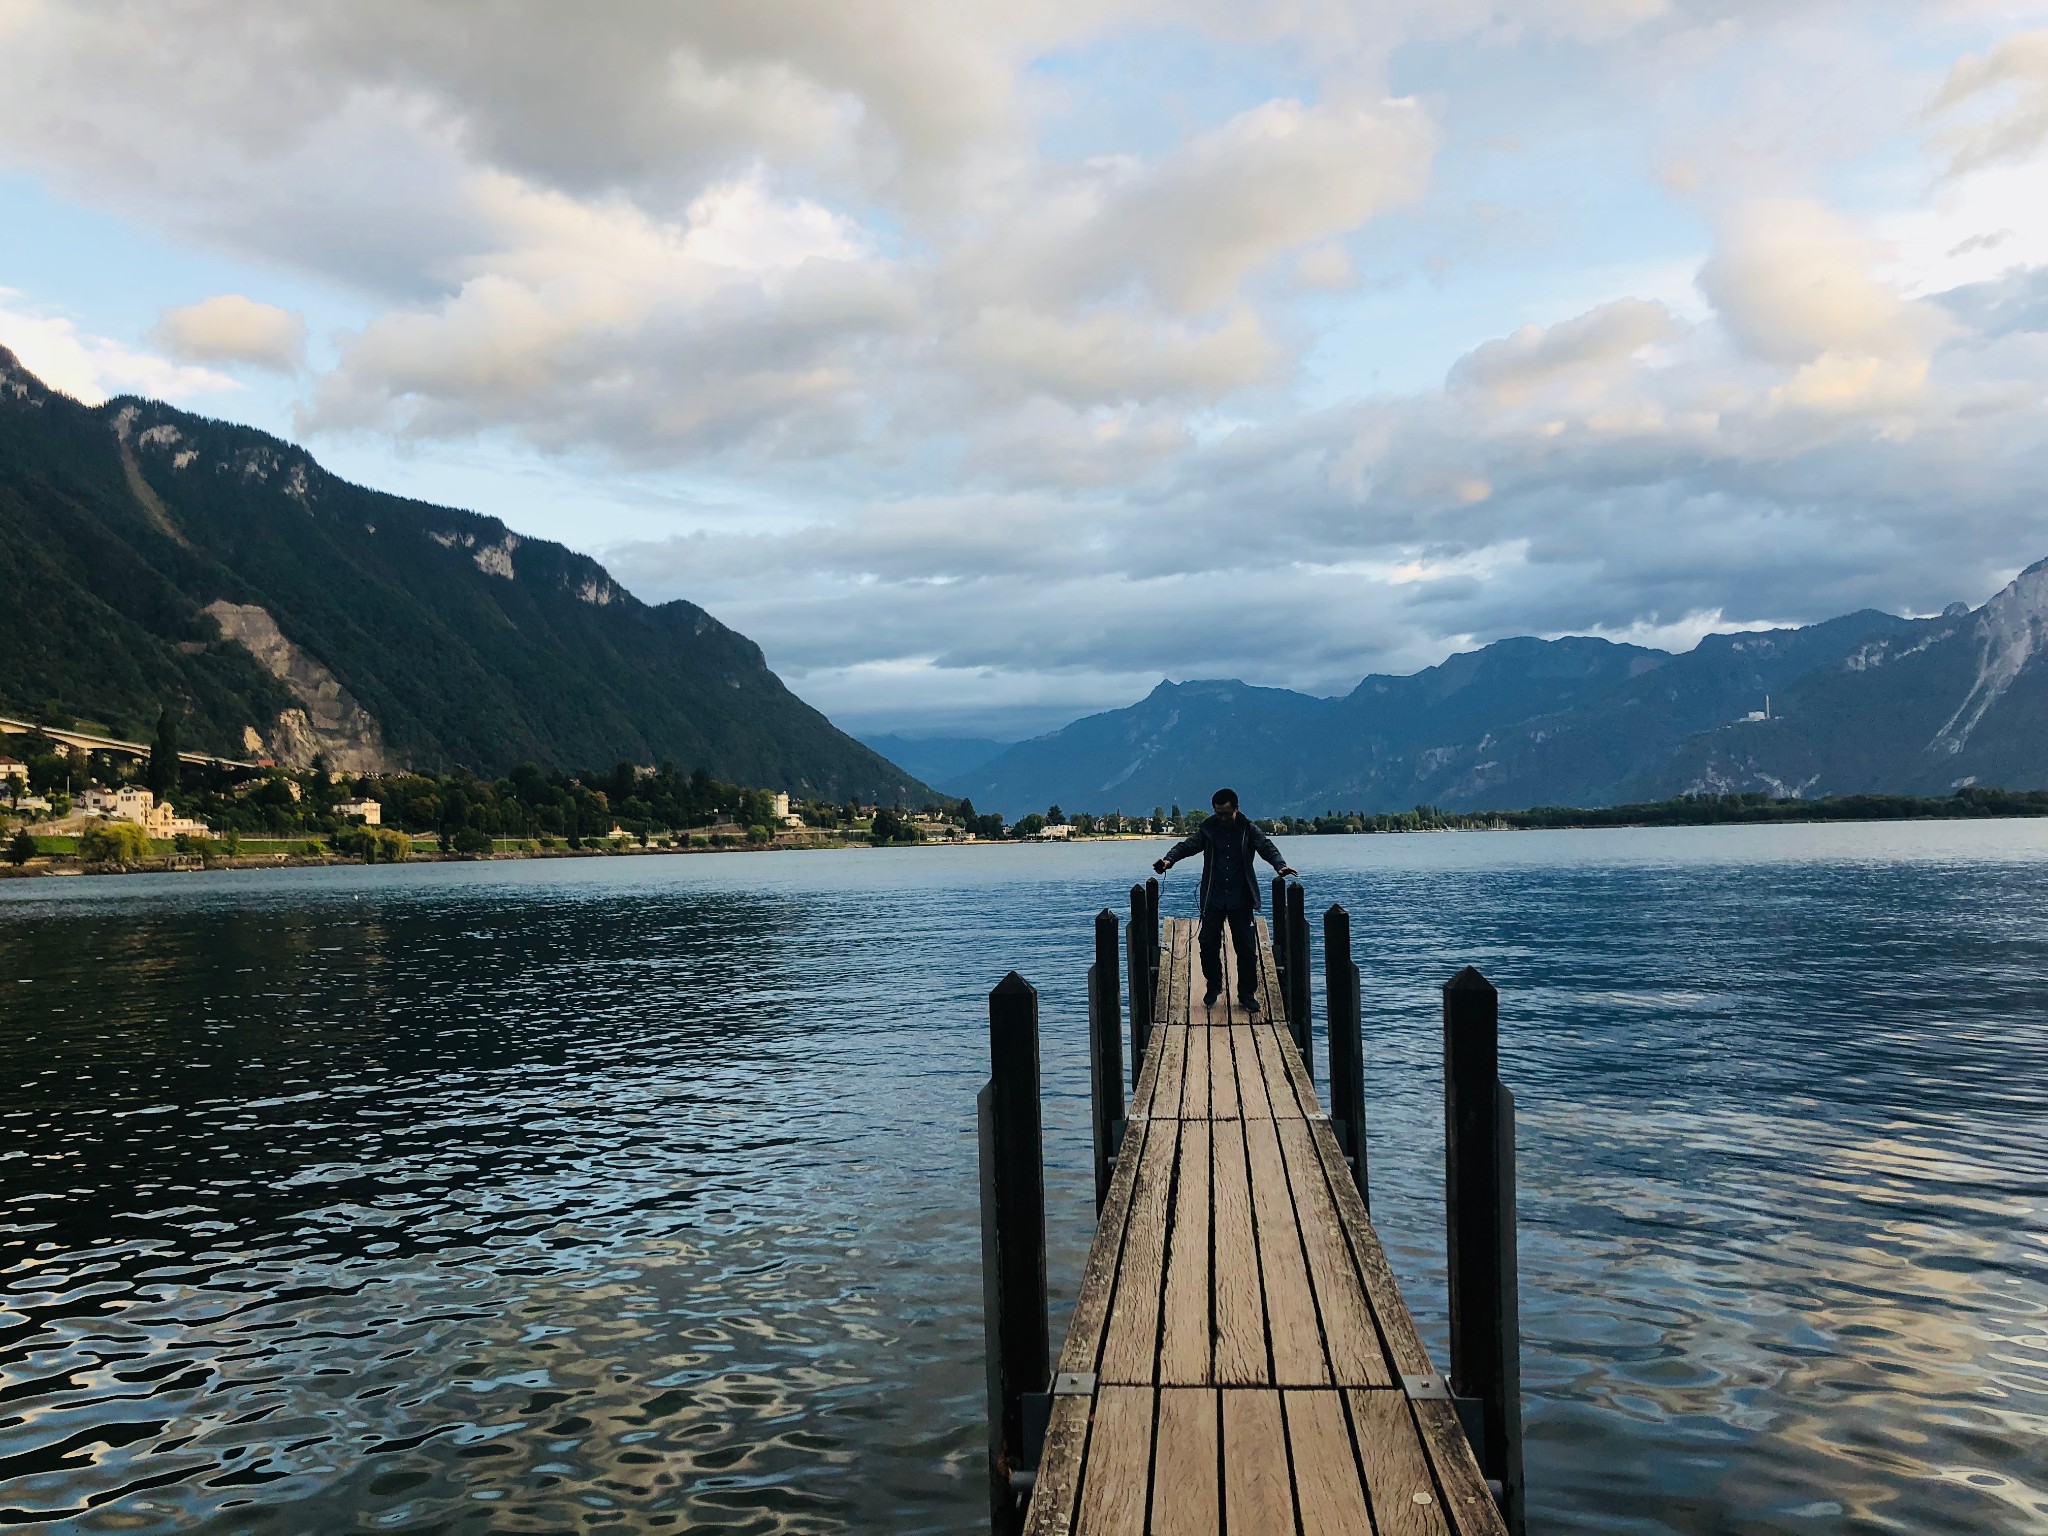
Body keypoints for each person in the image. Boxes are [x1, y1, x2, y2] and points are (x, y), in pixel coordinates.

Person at [1152, 788, 1296, 1012]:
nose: (1222, 818)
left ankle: (1247, 994)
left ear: (1236, 809)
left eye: (1227, 813)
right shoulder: (1208, 829)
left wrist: (1280, 865)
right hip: (1214, 897)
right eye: (1219, 813)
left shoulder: (1249, 829)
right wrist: (1168, 861)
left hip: (1241, 898)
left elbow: (1267, 847)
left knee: (1246, 949)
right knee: (1207, 942)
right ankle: (1214, 985)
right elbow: (1186, 846)